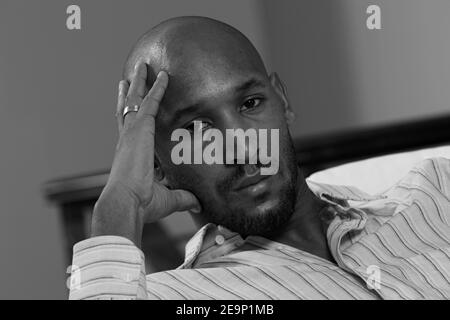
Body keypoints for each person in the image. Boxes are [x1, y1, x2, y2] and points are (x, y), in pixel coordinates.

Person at [69, 16, 450, 300]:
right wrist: (119, 204)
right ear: (157, 165)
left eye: (250, 103)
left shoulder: (436, 191)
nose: (242, 145)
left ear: (282, 101)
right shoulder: (187, 297)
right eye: (199, 128)